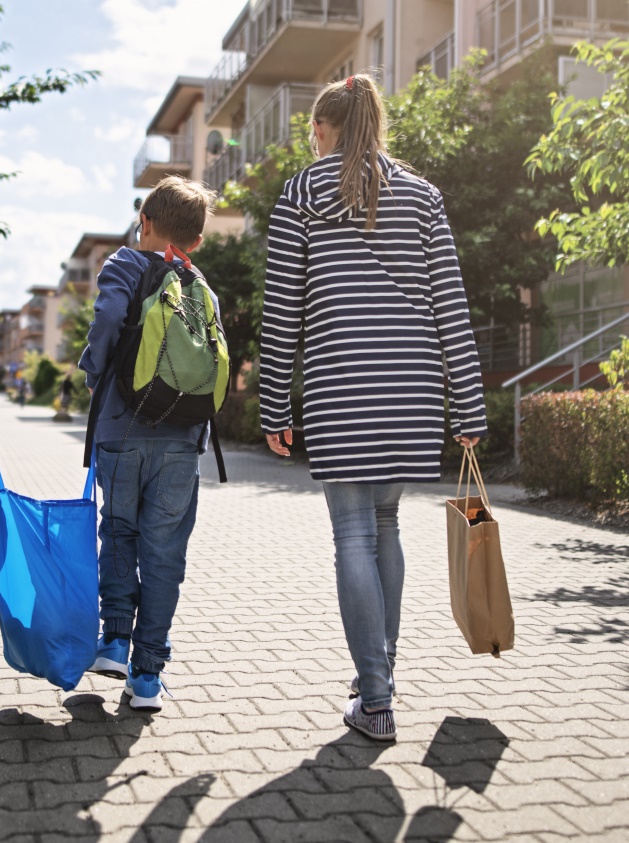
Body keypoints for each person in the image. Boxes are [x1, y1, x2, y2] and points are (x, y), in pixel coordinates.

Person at [258, 74, 487, 742]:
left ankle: (378, 698)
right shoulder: (421, 195)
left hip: (341, 384)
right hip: (413, 390)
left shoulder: (303, 191)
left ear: (324, 128)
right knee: (384, 524)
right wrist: (467, 406)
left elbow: (283, 309)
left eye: (312, 131)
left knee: (352, 533)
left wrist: (275, 402)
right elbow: (451, 302)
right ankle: (375, 677)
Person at [79, 175, 217, 711]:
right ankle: (147, 676)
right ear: (197, 240)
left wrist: (96, 372)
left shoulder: (126, 264)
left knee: (118, 530)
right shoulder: (199, 284)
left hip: (121, 428)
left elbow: (110, 318)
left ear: (145, 222)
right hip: (183, 438)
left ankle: (114, 640)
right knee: (165, 553)